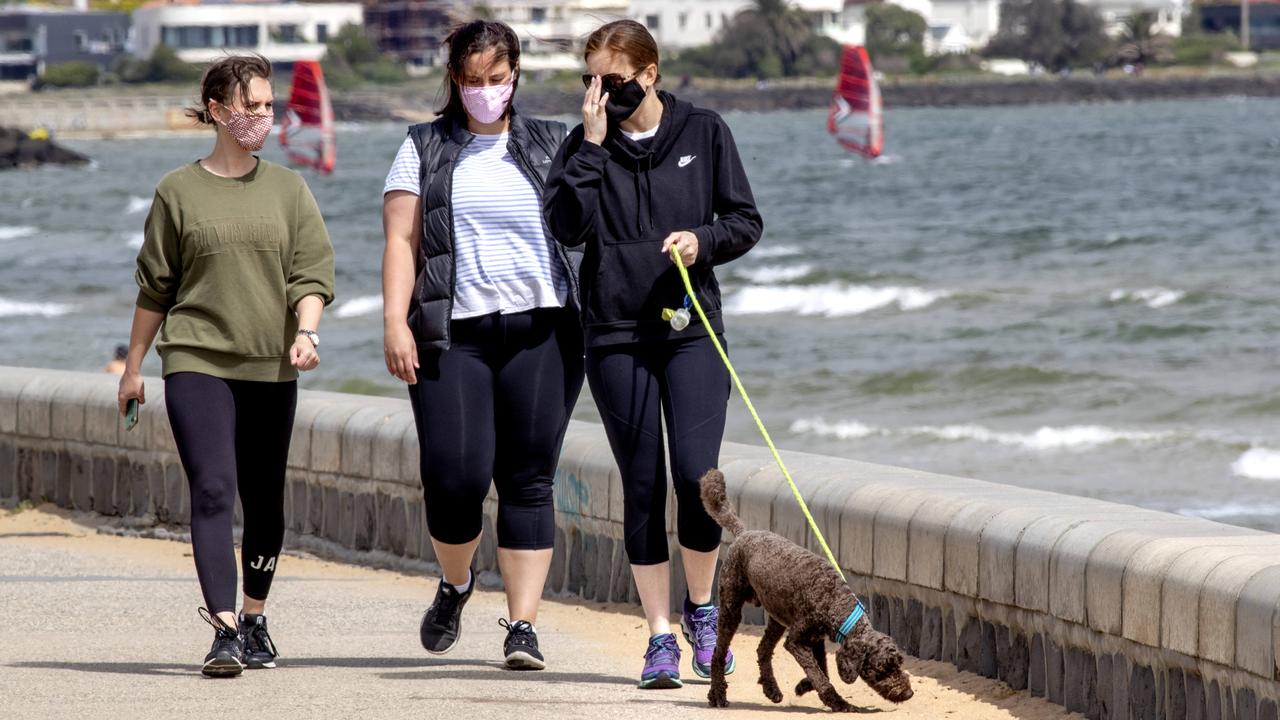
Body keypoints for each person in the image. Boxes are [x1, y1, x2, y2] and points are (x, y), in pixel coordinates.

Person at [543, 20, 763, 688]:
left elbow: (744, 221)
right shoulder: (583, 144)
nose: (602, 94)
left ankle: (702, 611)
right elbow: (565, 229)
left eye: (614, 82)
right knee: (640, 487)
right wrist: (591, 145)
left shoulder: (704, 131)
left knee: (699, 480)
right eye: (591, 82)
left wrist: (701, 240)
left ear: (650, 73)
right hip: (612, 338)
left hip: (691, 332)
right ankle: (659, 636)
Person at [116, 55, 335, 678]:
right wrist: (133, 368)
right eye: (253, 106)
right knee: (213, 488)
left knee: (263, 499)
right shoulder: (176, 191)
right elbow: (155, 289)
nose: (264, 116)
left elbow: (311, 274)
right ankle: (224, 630)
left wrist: (309, 332)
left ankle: (255, 616)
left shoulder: (289, 189)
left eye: (269, 106)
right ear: (217, 110)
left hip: (271, 362)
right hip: (195, 356)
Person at [381, 20, 583, 671]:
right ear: (455, 81)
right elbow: (401, 242)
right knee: (455, 478)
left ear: (516, 75)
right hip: (452, 337)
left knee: (528, 479)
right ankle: (457, 582)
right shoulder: (423, 147)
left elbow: (596, 223)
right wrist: (393, 320)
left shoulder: (553, 144)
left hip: (544, 332)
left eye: (497, 79)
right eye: (473, 80)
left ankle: (521, 626)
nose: (486, 91)